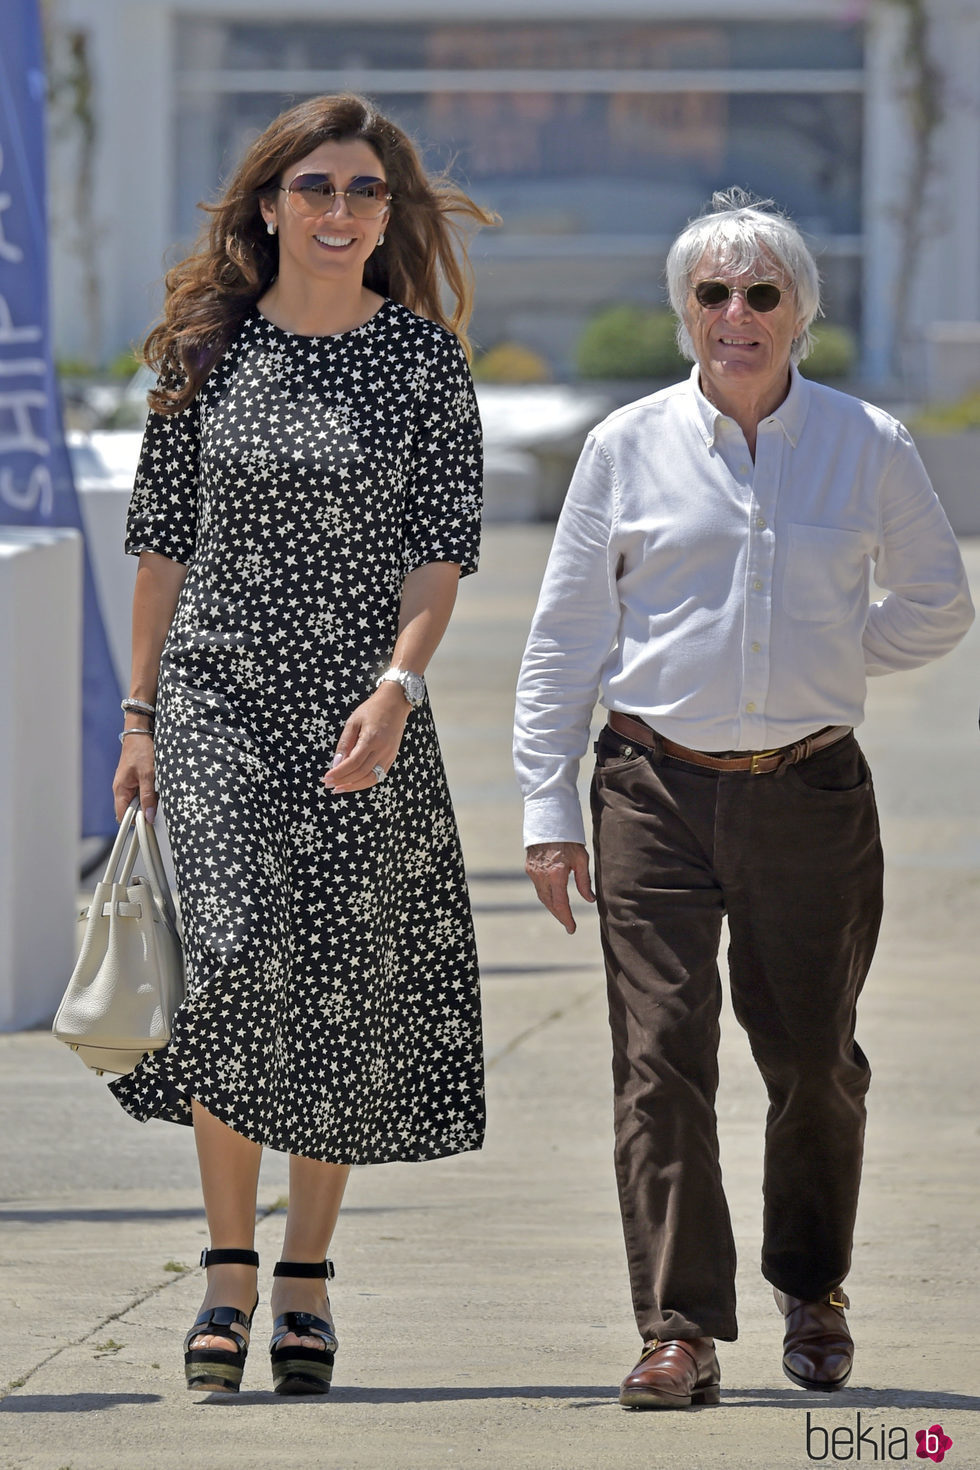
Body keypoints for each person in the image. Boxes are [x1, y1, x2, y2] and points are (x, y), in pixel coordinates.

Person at [513, 189, 974, 1410]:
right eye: (711, 294)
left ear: (799, 313)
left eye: (759, 293)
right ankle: (678, 1327)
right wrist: (546, 810)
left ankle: (810, 1288)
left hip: (810, 792)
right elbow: (564, 636)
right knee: (658, 1060)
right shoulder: (625, 446)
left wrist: (824, 655)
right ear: (684, 314)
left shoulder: (865, 441)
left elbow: (937, 600)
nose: (734, 314)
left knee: (814, 1061)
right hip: (650, 787)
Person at [110, 93, 494, 1396]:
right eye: (319, 187)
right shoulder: (205, 353)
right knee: (231, 973)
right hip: (217, 705)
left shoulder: (423, 362)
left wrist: (397, 687)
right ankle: (227, 1266)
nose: (343, 212)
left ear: (391, 214)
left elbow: (439, 555)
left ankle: (307, 1275)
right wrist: (140, 711)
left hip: (357, 713)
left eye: (367, 193)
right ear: (268, 203)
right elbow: (162, 541)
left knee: (331, 987)